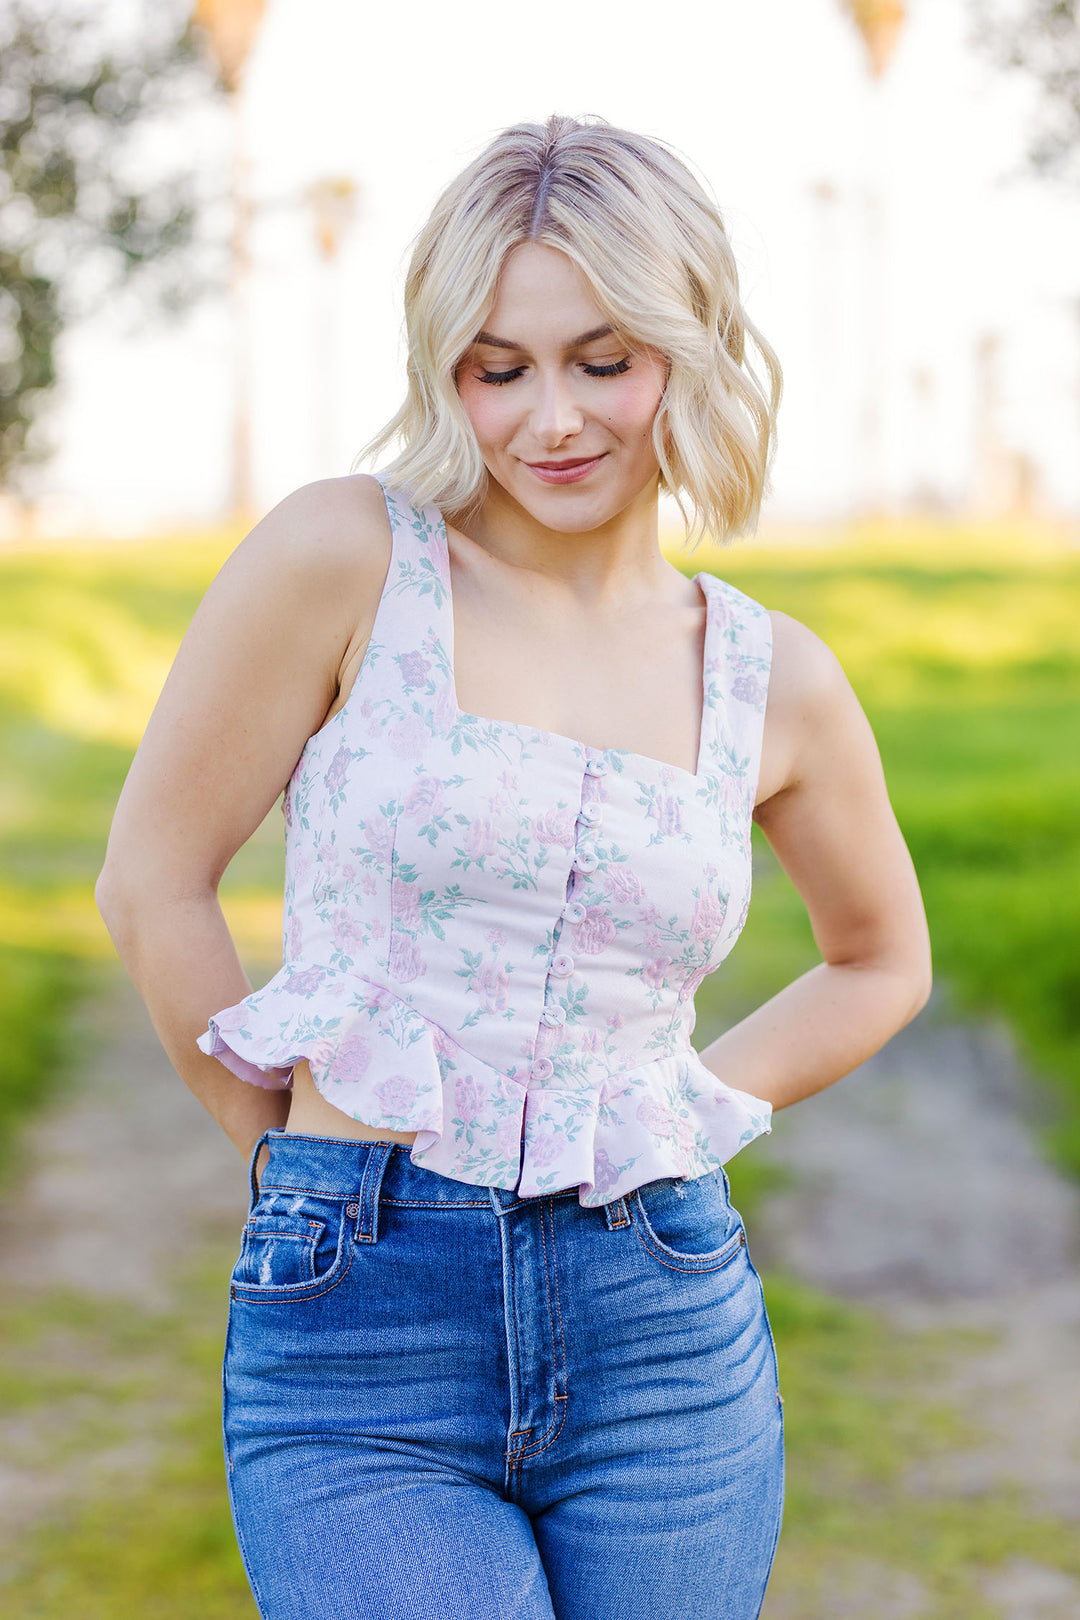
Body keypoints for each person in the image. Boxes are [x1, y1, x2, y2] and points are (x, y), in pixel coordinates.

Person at [95, 113, 932, 1620]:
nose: (554, 418)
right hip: (366, 1326)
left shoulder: (770, 676)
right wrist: (286, 1160)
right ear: (449, 373)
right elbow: (155, 874)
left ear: (691, 348)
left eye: (603, 360)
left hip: (662, 1324)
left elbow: (880, 955)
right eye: (501, 368)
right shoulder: (348, 561)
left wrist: (692, 1107)